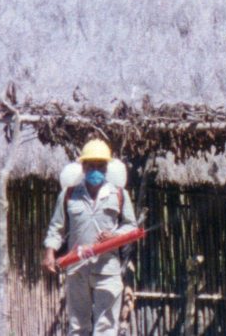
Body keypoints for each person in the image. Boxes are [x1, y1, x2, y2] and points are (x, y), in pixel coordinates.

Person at [42, 139, 137, 336]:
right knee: (78, 326)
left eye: (100, 166)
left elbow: (131, 227)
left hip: (108, 269)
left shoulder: (119, 194)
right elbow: (56, 227)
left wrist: (114, 236)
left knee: (106, 326)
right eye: (91, 166)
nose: (95, 170)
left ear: (106, 168)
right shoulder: (68, 194)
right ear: (83, 167)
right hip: (77, 268)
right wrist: (50, 252)